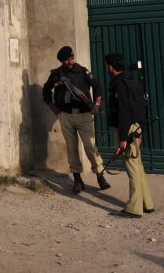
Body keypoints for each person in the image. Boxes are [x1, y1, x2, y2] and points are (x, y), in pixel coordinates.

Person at [42, 45, 110, 193]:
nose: (70, 61)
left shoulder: (82, 71)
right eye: (67, 60)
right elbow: (46, 90)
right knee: (72, 148)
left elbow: (97, 87)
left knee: (89, 146)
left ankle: (100, 175)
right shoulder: (56, 74)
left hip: (84, 115)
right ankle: (78, 180)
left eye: (72, 58)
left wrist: (97, 105)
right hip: (66, 116)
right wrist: (52, 107)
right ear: (62, 61)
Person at [104, 53, 155, 218]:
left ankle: (134, 208)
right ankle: (147, 204)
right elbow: (142, 109)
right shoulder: (134, 83)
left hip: (127, 130)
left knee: (132, 169)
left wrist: (123, 139)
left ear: (111, 67)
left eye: (108, 65)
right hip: (136, 129)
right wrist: (140, 131)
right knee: (138, 167)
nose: (107, 68)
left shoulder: (120, 85)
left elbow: (124, 112)